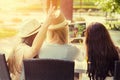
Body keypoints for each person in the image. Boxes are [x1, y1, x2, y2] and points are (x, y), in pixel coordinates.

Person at [7, 6, 56, 80]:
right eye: (40, 34)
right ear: (35, 36)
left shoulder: (21, 46)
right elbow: (34, 50)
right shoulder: (21, 49)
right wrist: (46, 24)